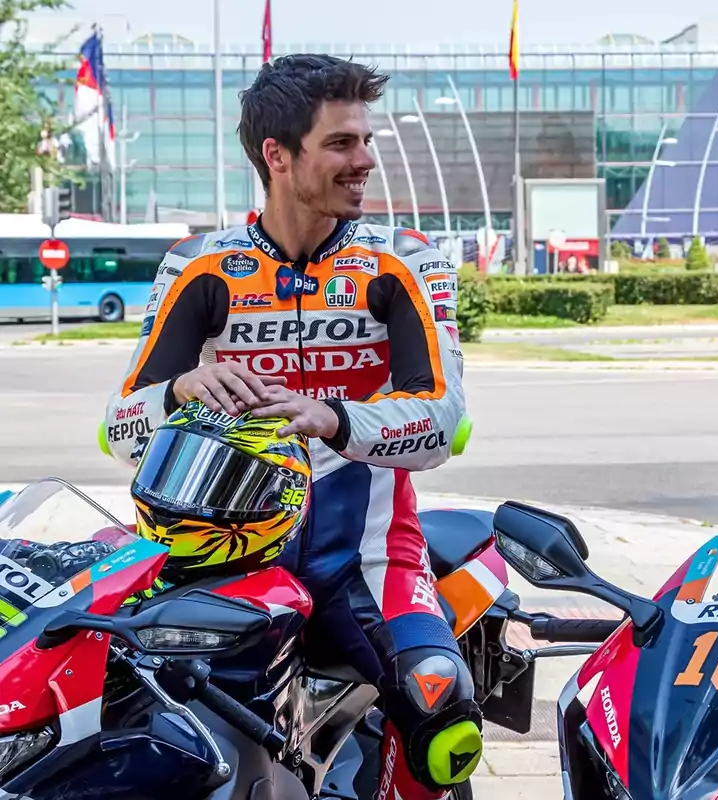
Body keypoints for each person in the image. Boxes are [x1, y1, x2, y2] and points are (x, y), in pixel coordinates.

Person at [101, 54, 479, 799]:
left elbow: (443, 423)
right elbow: (120, 430)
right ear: (277, 155)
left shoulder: (403, 261)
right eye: (341, 143)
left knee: (443, 717)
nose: (365, 160)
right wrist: (178, 388)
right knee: (138, 730)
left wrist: (331, 418)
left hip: (366, 558)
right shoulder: (198, 264)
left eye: (366, 141)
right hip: (216, 556)